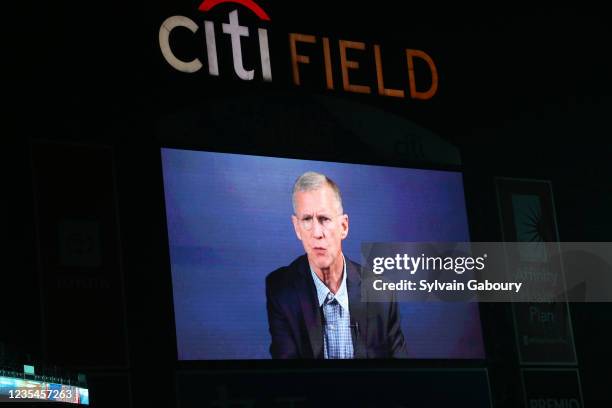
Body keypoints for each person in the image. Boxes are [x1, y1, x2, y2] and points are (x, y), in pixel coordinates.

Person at [265, 171, 408, 359]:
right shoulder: (281, 289)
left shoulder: (381, 293)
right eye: (307, 219)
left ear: (344, 226)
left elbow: (400, 374)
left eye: (324, 219)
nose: (317, 232)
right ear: (297, 227)